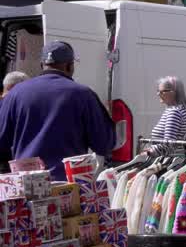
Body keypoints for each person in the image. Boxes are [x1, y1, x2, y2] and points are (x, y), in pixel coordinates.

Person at [0, 41, 115, 180]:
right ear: (69, 65)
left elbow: (2, 142)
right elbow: (104, 144)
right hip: (67, 186)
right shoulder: (83, 95)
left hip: (26, 183)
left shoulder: (16, 93)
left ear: (42, 65)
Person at [151, 76, 186, 141]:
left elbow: (168, 144)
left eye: (162, 91)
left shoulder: (174, 112)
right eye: (158, 91)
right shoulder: (178, 110)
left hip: (169, 152)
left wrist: (149, 151)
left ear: (174, 93)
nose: (158, 94)